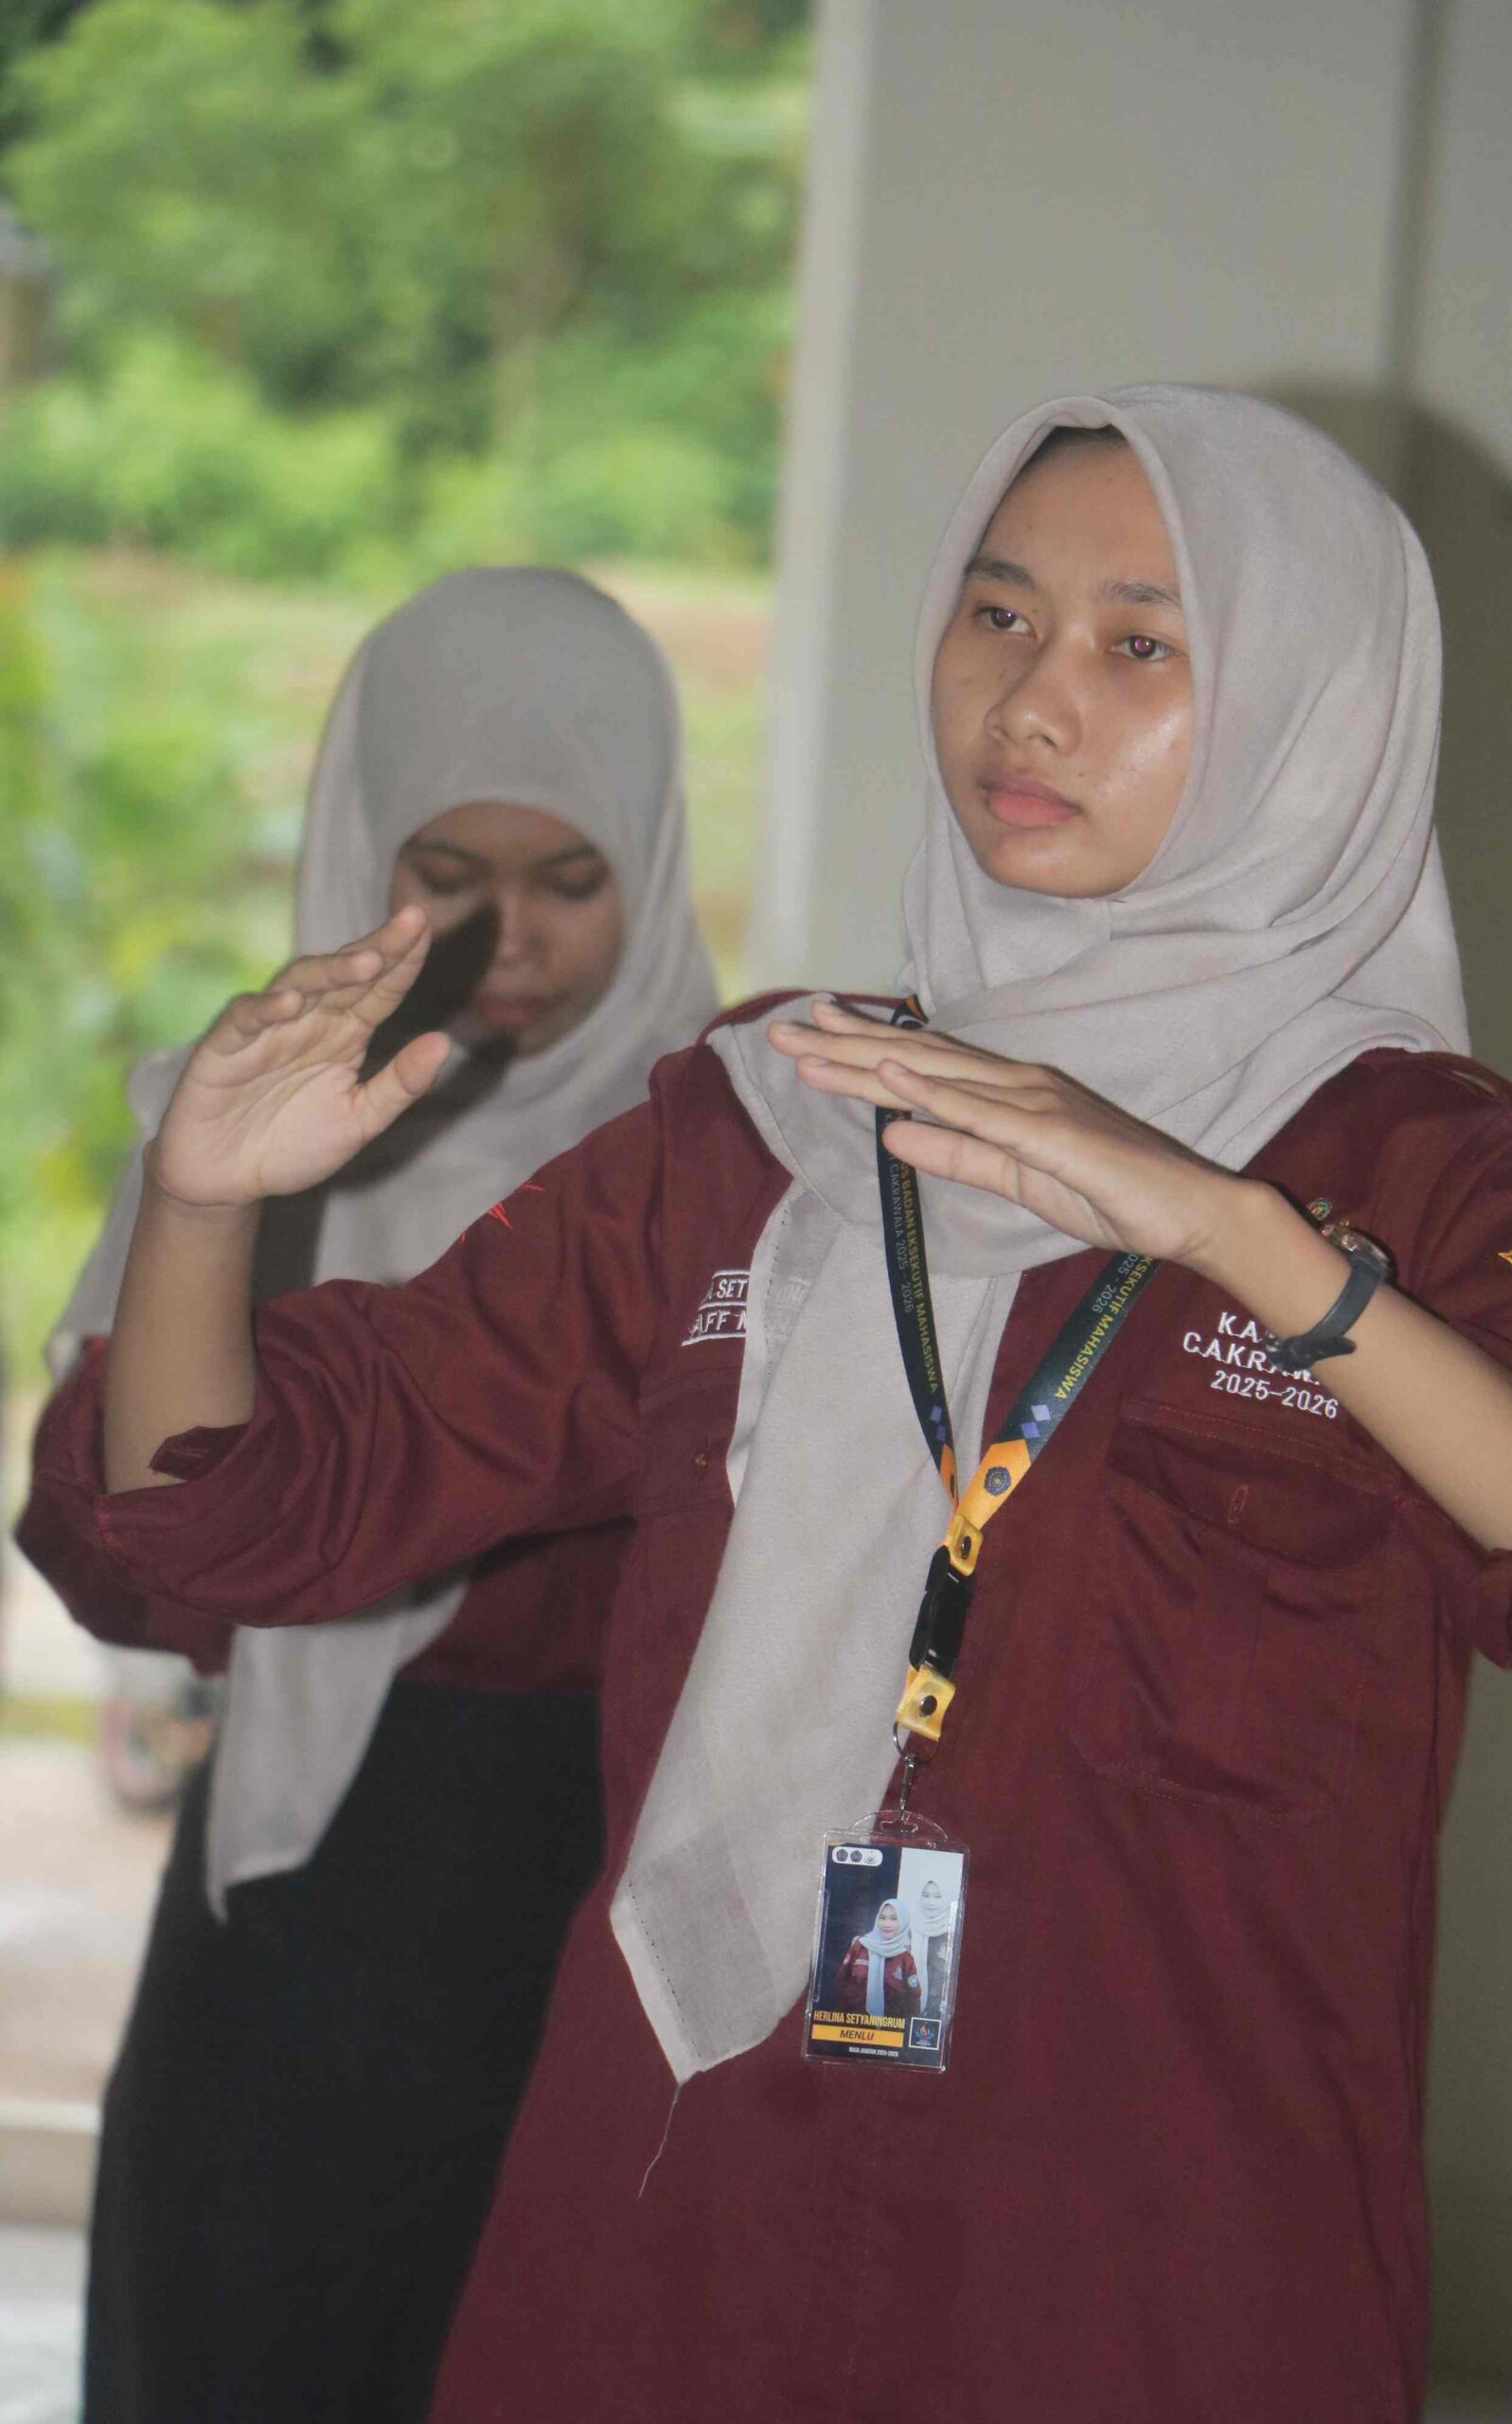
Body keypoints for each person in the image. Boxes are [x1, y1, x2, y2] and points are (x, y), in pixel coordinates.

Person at [20, 387, 1512, 2422]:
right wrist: (198, 1209)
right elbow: (249, 1503)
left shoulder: (1422, 1163)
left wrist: (1237, 1233)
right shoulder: (775, 1115)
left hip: (1156, 2253)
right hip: (696, 2190)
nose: (1032, 702)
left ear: (1316, 703)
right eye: (996, 615)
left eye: (1139, 645)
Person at [29, 567, 717, 2424]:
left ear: (656, 859)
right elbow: (117, 1556)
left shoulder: (727, 1161)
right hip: (320, 1883)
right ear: (359, 845)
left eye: (570, 878)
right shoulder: (244, 1141)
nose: (512, 939)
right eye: (448, 874)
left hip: (627, 1889)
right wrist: (210, 1246)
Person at [832, 1898, 921, 2018]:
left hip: (889, 2026)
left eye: (893, 1919)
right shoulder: (860, 1945)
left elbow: (913, 1998)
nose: (886, 1924)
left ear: (903, 1922)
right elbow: (840, 1983)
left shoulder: (905, 1958)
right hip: (853, 2022)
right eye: (882, 1918)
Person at [909, 1874, 952, 2016]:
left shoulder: (954, 1930)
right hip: (914, 2010)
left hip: (945, 2012)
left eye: (937, 1896)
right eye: (926, 1895)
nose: (930, 1902)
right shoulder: (911, 1929)